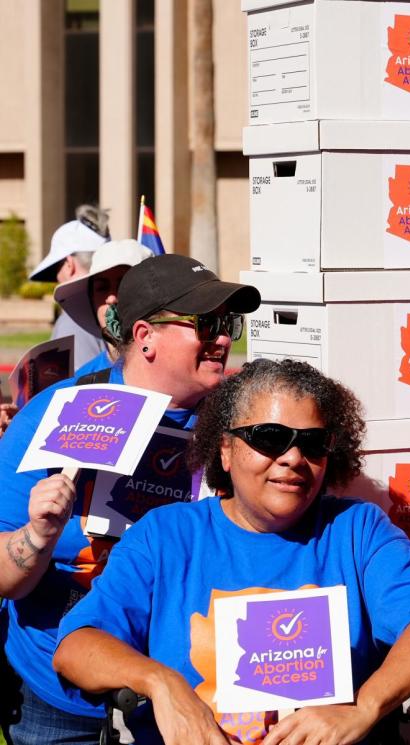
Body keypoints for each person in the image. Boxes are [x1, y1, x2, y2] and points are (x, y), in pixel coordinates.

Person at [54, 358, 410, 744]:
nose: (292, 458)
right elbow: (76, 647)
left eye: (313, 443)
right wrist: (160, 682)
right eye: (269, 438)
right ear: (226, 450)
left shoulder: (358, 530)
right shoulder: (165, 536)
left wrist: (363, 707)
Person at [0, 254, 259, 743]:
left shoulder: (239, 430)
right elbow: (4, 578)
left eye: (229, 323)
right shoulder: (56, 416)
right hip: (59, 700)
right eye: (206, 323)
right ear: (145, 337)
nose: (224, 338)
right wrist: (37, 535)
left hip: (192, 695)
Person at [52, 239, 154, 375]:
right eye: (101, 288)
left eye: (124, 285)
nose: (112, 299)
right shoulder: (80, 384)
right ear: (92, 300)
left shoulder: (181, 372)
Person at [33, 206, 112, 369]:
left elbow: (80, 390)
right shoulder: (118, 308)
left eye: (57, 268)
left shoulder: (75, 320)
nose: (56, 277)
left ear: (69, 265)